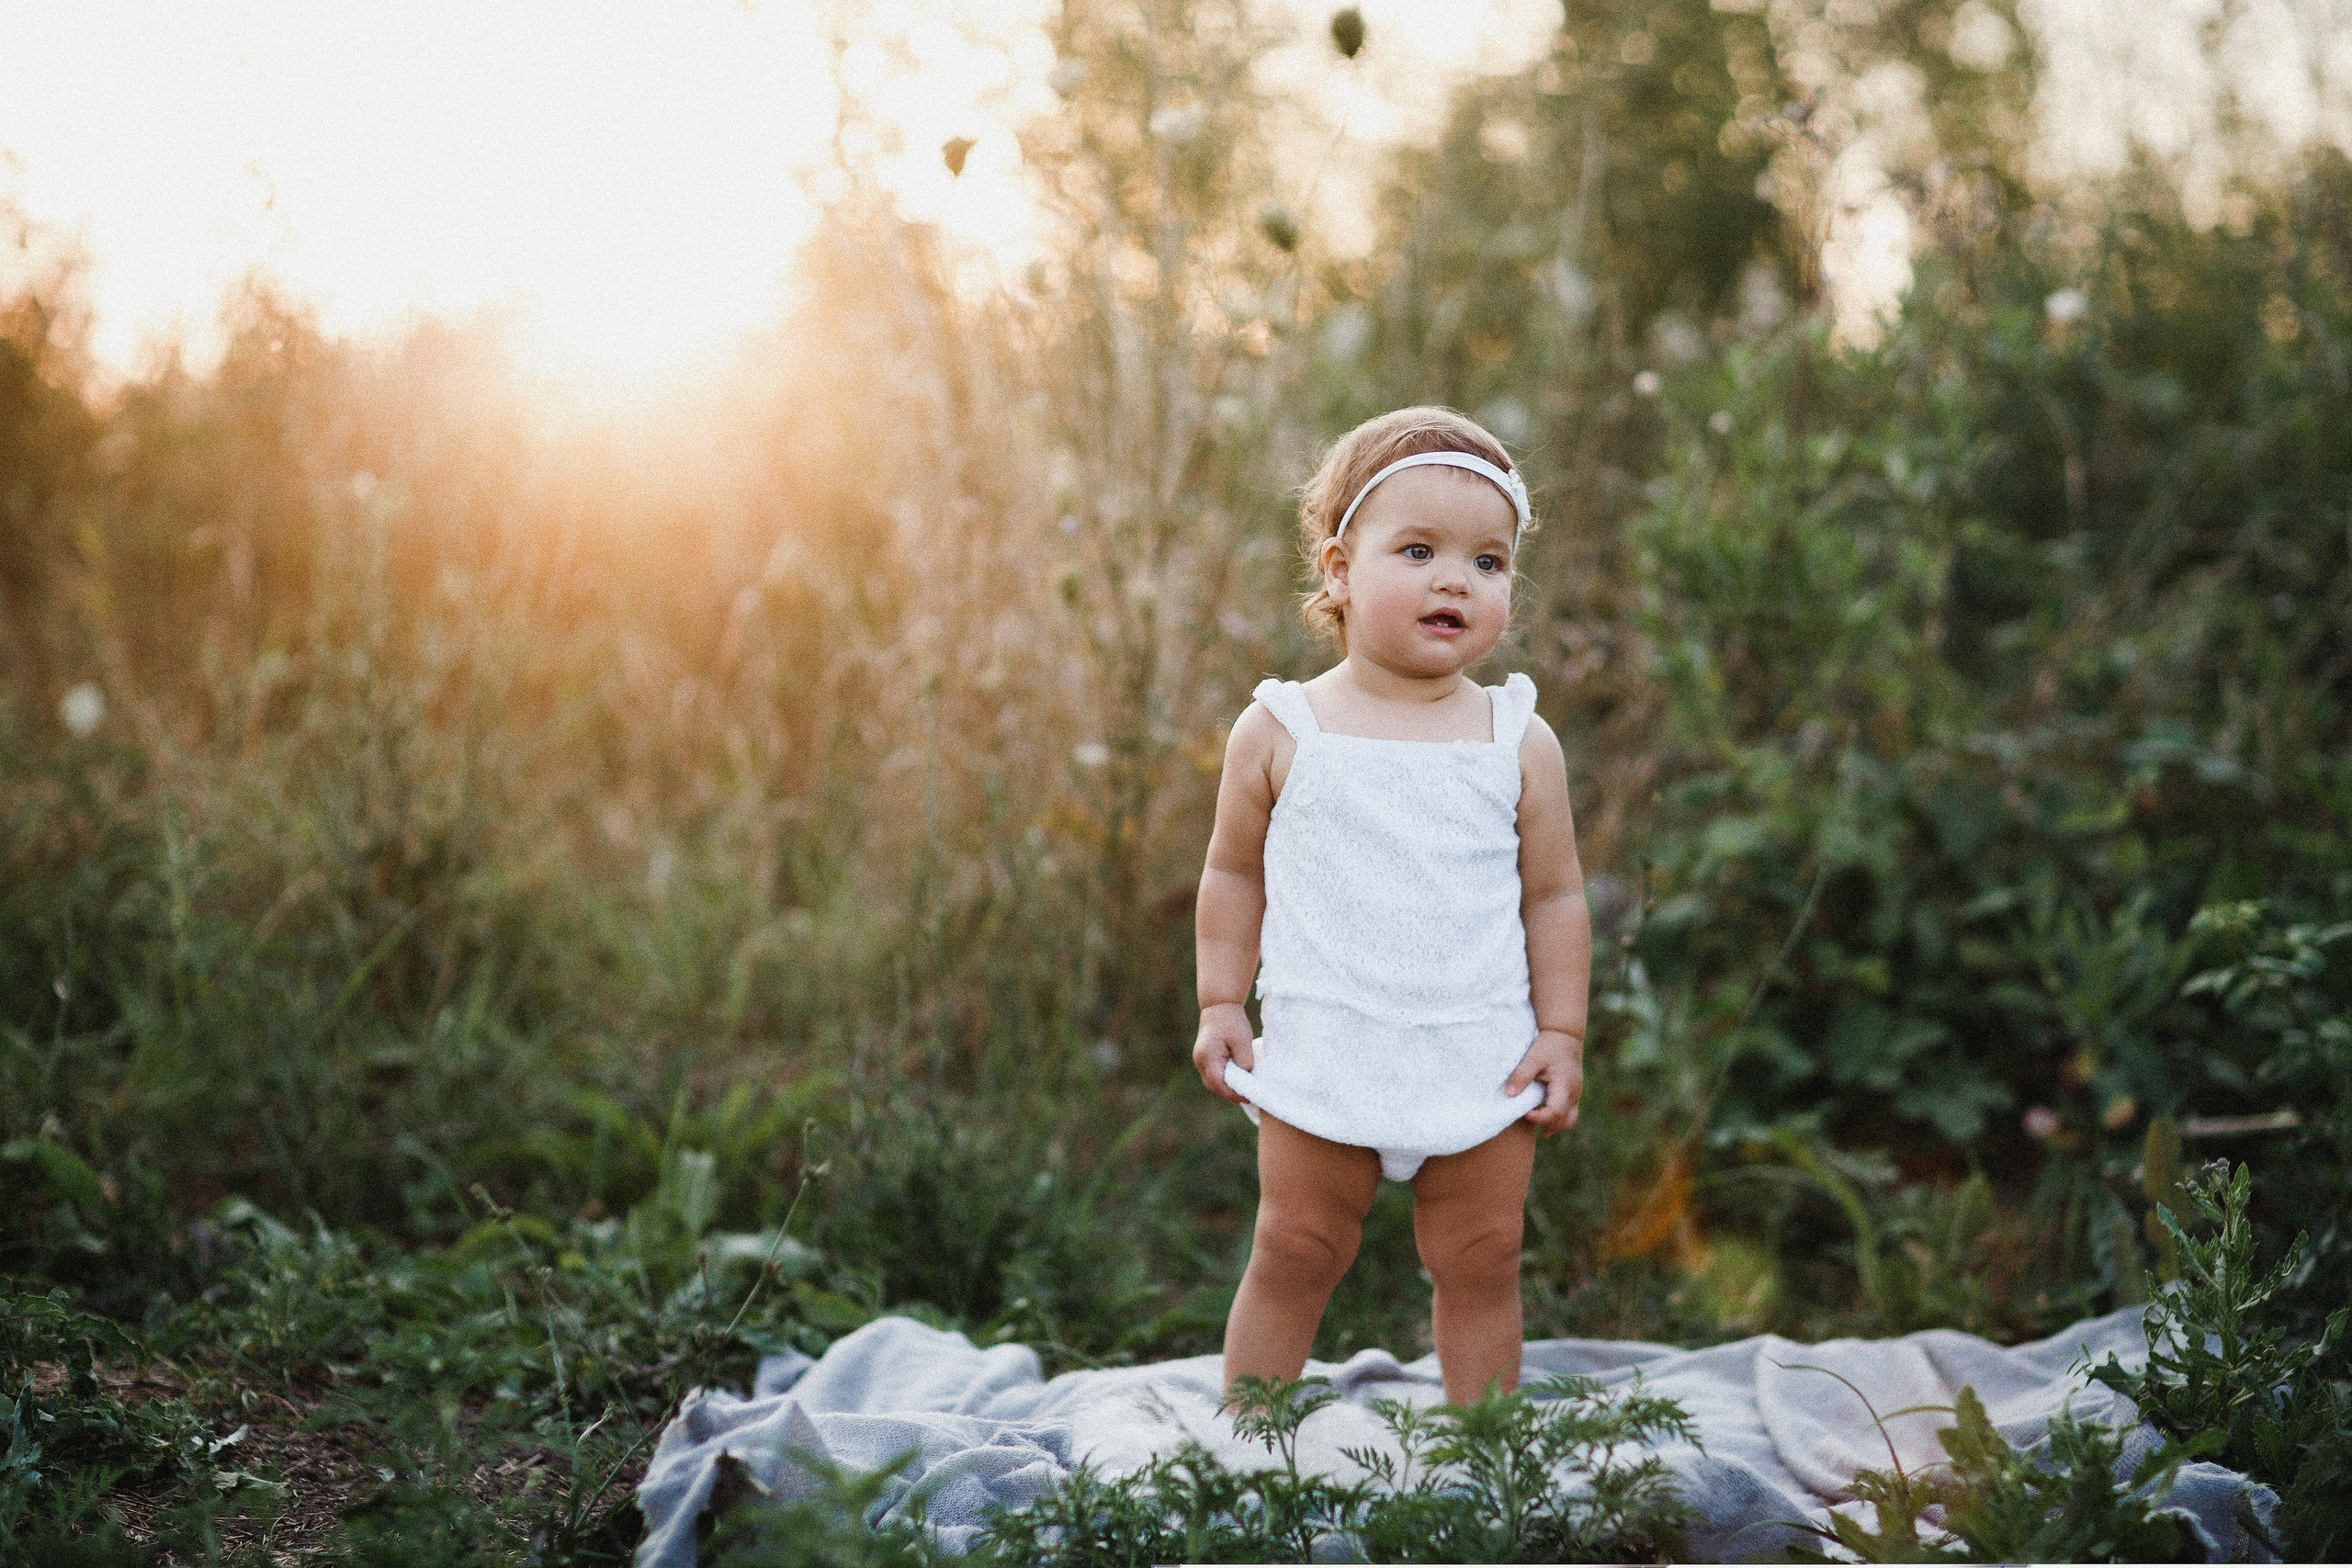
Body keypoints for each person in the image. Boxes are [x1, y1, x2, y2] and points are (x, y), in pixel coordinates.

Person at [1193, 406, 1589, 1408]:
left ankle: (1485, 1454)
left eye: (1488, 561)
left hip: (1479, 1048)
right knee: (1296, 1246)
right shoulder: (1285, 727)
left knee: (1484, 1255)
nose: (1456, 579)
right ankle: (1247, 1451)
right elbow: (1234, 874)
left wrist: (1561, 1030)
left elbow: (1554, 895)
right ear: (1337, 569)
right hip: (1328, 1046)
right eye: (1418, 551)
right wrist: (1219, 1003)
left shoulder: (1514, 739)